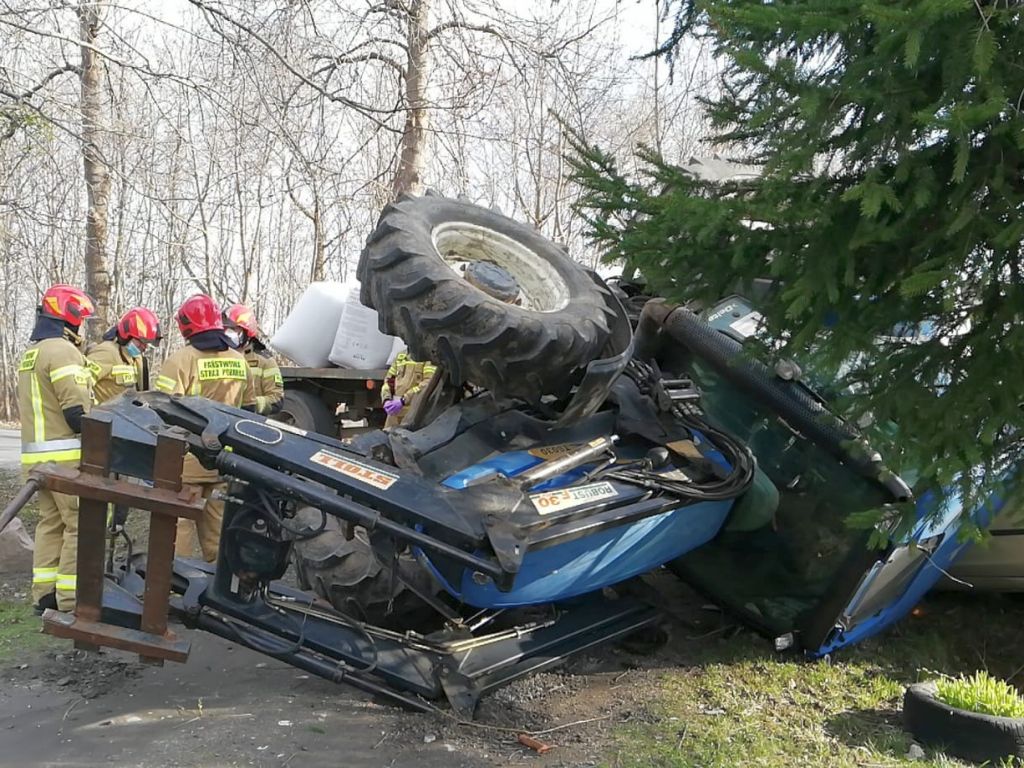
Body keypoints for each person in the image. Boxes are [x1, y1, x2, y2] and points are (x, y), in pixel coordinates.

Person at [154, 294, 255, 562]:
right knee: (218, 527)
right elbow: (250, 410)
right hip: (224, 459)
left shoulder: (180, 360)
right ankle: (219, 585)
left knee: (179, 527)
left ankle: (175, 584)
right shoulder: (239, 360)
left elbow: (161, 410)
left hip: (186, 461)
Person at [18, 284, 95, 613]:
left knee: (50, 524)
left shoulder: (31, 353)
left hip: (36, 460)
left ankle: (44, 595)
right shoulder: (63, 352)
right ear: (70, 318)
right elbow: (77, 413)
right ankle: (69, 599)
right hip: (66, 460)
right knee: (80, 526)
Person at [86, 307, 161, 405]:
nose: (144, 347)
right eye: (141, 342)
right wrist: (93, 409)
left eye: (147, 343)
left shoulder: (136, 360)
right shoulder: (107, 352)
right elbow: (81, 385)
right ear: (127, 335)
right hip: (103, 417)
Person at [223, 303, 283, 416]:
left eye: (233, 328)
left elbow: (276, 399)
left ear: (247, 330)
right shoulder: (219, 355)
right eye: (225, 328)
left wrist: (249, 405)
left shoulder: (264, 361)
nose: (228, 333)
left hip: (249, 424)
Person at [380, 352, 437, 428]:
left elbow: (427, 383)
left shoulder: (428, 359)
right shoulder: (400, 357)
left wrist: (404, 399)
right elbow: (389, 380)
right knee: (388, 437)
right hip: (394, 413)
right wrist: (386, 399)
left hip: (414, 413)